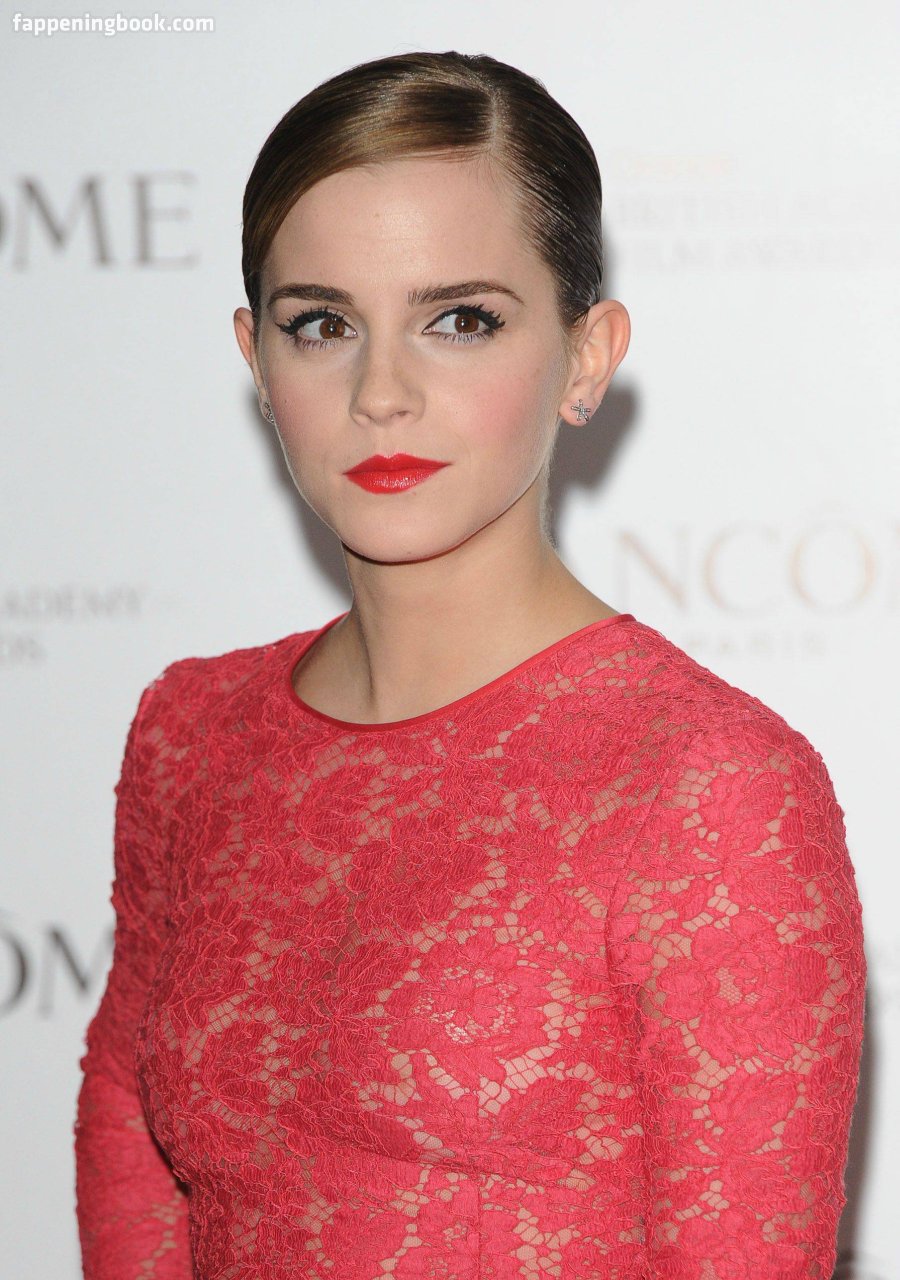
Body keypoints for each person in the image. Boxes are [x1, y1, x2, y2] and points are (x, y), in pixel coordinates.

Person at [73, 50, 866, 1279]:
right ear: (255, 359)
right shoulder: (192, 729)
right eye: (322, 323)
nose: (381, 392)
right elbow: (132, 1147)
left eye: (460, 320)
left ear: (586, 355)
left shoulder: (708, 786)